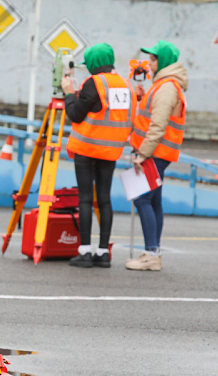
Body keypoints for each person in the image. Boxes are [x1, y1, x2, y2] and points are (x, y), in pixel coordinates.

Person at [63, 43, 136, 268]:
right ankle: (103, 252)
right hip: (111, 149)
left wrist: (68, 93)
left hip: (87, 147)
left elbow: (75, 114)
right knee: (104, 199)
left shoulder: (94, 83)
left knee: (86, 198)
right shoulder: (126, 85)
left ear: (93, 63)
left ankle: (85, 251)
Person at [126, 40, 188, 271]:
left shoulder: (166, 87)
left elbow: (158, 125)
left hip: (155, 152)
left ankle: (151, 254)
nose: (148, 64)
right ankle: (153, 252)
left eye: (153, 60)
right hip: (158, 152)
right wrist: (142, 99)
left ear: (163, 62)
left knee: (143, 199)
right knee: (154, 201)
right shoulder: (163, 85)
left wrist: (143, 154)